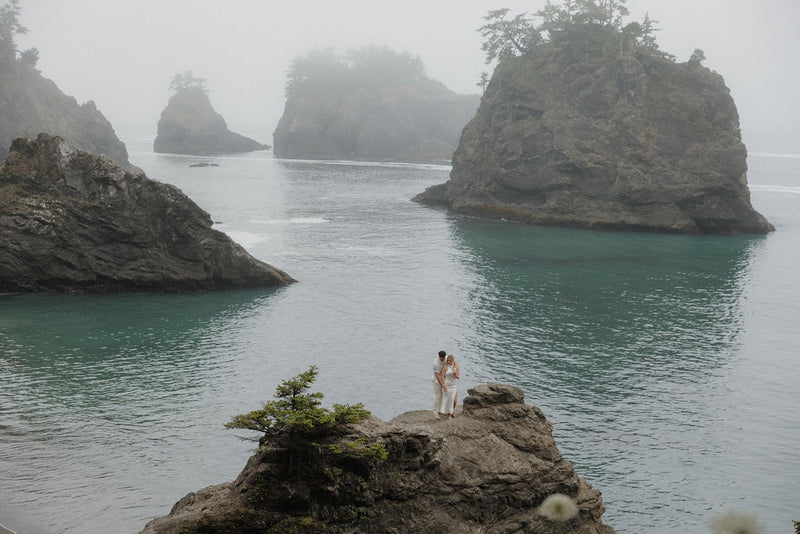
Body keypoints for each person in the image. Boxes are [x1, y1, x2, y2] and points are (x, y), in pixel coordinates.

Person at [439, 354, 460, 419]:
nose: (448, 362)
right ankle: (449, 414)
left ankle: (452, 411)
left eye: (450, 361)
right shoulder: (445, 367)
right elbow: (442, 376)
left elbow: (458, 377)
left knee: (454, 401)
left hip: (453, 386)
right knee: (449, 400)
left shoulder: (455, 367)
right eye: (447, 360)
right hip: (447, 385)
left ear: (453, 361)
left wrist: (455, 374)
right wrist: (443, 385)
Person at [432, 350, 447, 420]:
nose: (443, 360)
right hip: (436, 381)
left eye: (444, 358)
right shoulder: (435, 363)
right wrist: (443, 385)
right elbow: (437, 376)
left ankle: (440, 410)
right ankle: (435, 413)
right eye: (442, 359)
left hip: (443, 379)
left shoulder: (446, 359)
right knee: (437, 396)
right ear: (439, 357)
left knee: (441, 396)